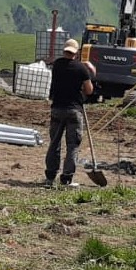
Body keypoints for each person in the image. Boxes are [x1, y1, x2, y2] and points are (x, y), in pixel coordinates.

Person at [44, 38, 95, 187]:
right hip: (74, 110)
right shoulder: (81, 69)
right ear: (76, 52)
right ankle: (66, 177)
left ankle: (50, 175)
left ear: (64, 50)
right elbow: (89, 90)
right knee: (72, 144)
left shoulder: (57, 65)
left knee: (54, 143)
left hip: (57, 108)